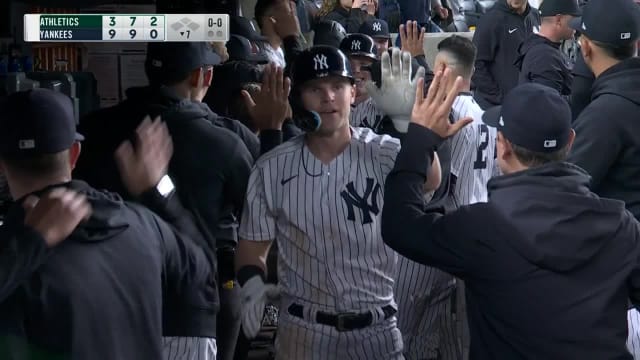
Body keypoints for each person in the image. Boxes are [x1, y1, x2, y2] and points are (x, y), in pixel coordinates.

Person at [382, 68, 640, 359]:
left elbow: (399, 224)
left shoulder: (481, 227)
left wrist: (419, 138)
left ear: (502, 147)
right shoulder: (621, 225)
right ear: (570, 142)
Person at [235, 45, 439, 359]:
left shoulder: (384, 151)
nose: (328, 97)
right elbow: (252, 247)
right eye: (315, 88)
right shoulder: (271, 167)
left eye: (337, 86)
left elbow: (431, 179)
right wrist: (251, 285)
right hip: (303, 333)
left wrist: (404, 121)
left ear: (353, 92)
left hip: (379, 330)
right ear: (298, 99)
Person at [74, 42, 258, 360]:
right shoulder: (226, 141)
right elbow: (260, 219)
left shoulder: (94, 129)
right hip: (191, 308)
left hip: (108, 299)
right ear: (204, 76)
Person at [0, 89, 212, 359]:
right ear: (74, 154)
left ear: (1, 165)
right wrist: (159, 188)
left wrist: (30, 243)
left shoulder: (12, 259)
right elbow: (203, 268)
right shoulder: (141, 225)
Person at [567, 0, 640, 219]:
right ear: (635, 44)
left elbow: (565, 192)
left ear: (586, 47)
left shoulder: (603, 115)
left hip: (624, 244)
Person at [471, 0, 541, 109]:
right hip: (496, 108)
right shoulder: (491, 19)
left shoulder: (535, 16)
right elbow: (475, 63)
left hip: (527, 105)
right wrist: (500, 98)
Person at [514, 0, 580, 96]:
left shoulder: (544, 49)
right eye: (573, 19)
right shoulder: (544, 56)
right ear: (559, 20)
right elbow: (549, 105)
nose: (576, 25)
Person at [339, 33, 385, 129]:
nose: (356, 70)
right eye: (349, 64)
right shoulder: (327, 108)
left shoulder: (386, 107)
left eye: (364, 64)